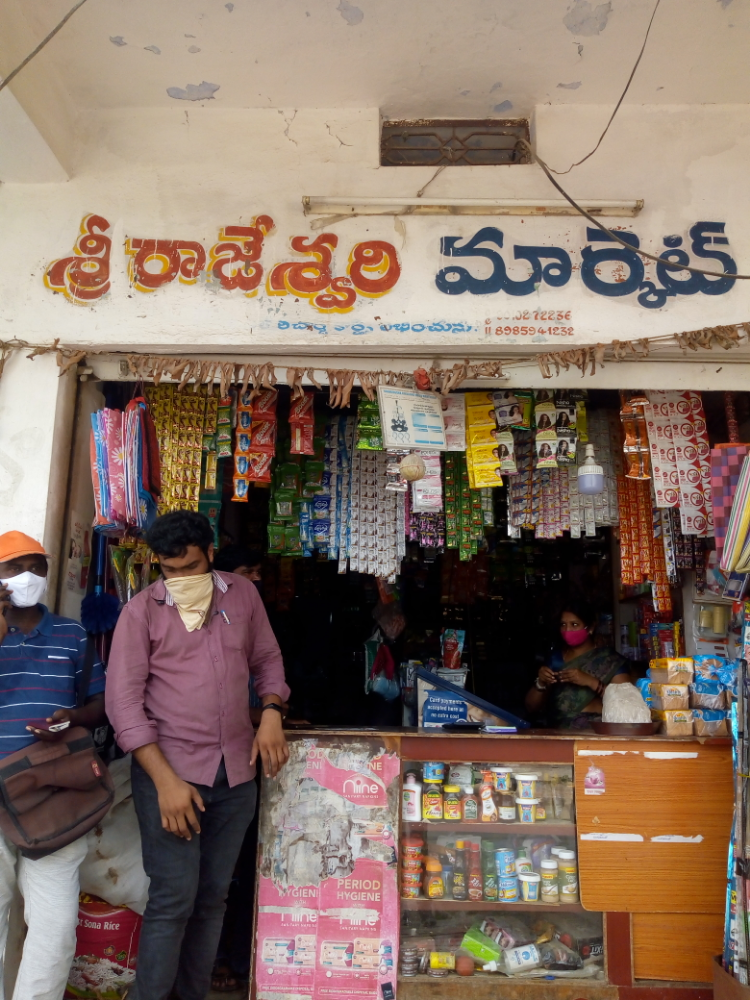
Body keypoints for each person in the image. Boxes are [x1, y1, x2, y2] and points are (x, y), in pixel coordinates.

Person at [106, 512, 290, 1000]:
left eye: (190, 567)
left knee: (212, 898)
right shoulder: (141, 612)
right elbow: (123, 705)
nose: (181, 580)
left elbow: (268, 660)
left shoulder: (242, 595)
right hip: (171, 776)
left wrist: (271, 711)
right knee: (172, 899)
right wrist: (166, 783)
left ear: (210, 553)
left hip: (235, 775)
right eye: (170, 571)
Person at [0, 530, 106, 999]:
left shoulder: (71, 633)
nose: (28, 575)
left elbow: (100, 704)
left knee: (56, 930)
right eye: (13, 567)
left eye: (37, 566)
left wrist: (71, 718)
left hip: (51, 794)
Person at [525, 600, 631, 728]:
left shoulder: (610, 661)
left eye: (574, 624)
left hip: (598, 733)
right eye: (563, 624)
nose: (567, 630)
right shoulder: (555, 659)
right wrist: (540, 682)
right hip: (560, 734)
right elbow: (531, 707)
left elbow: (627, 705)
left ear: (590, 628)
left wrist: (592, 682)